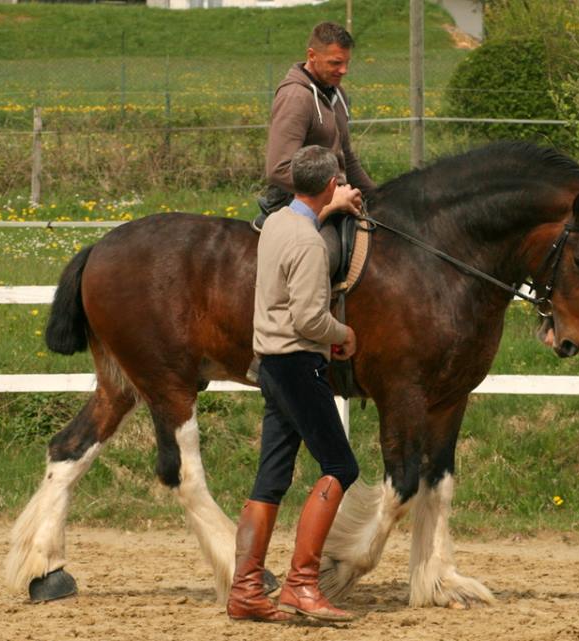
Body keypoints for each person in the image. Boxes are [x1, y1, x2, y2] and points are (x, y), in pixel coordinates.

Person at [228, 145, 361, 624]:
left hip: (269, 363)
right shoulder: (307, 242)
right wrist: (342, 333)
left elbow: (307, 219)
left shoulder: (278, 224)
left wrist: (332, 207)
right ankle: (302, 585)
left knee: (271, 479)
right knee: (341, 466)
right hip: (300, 363)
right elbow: (308, 317)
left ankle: (245, 591)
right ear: (329, 183)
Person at [258, 21, 375, 222]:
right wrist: (332, 195)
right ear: (312, 55)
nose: (344, 70)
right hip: (292, 203)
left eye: (347, 63)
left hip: (331, 197)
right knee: (329, 250)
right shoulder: (296, 97)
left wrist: (379, 197)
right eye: (335, 63)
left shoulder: (337, 93)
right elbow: (278, 169)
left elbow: (346, 158)